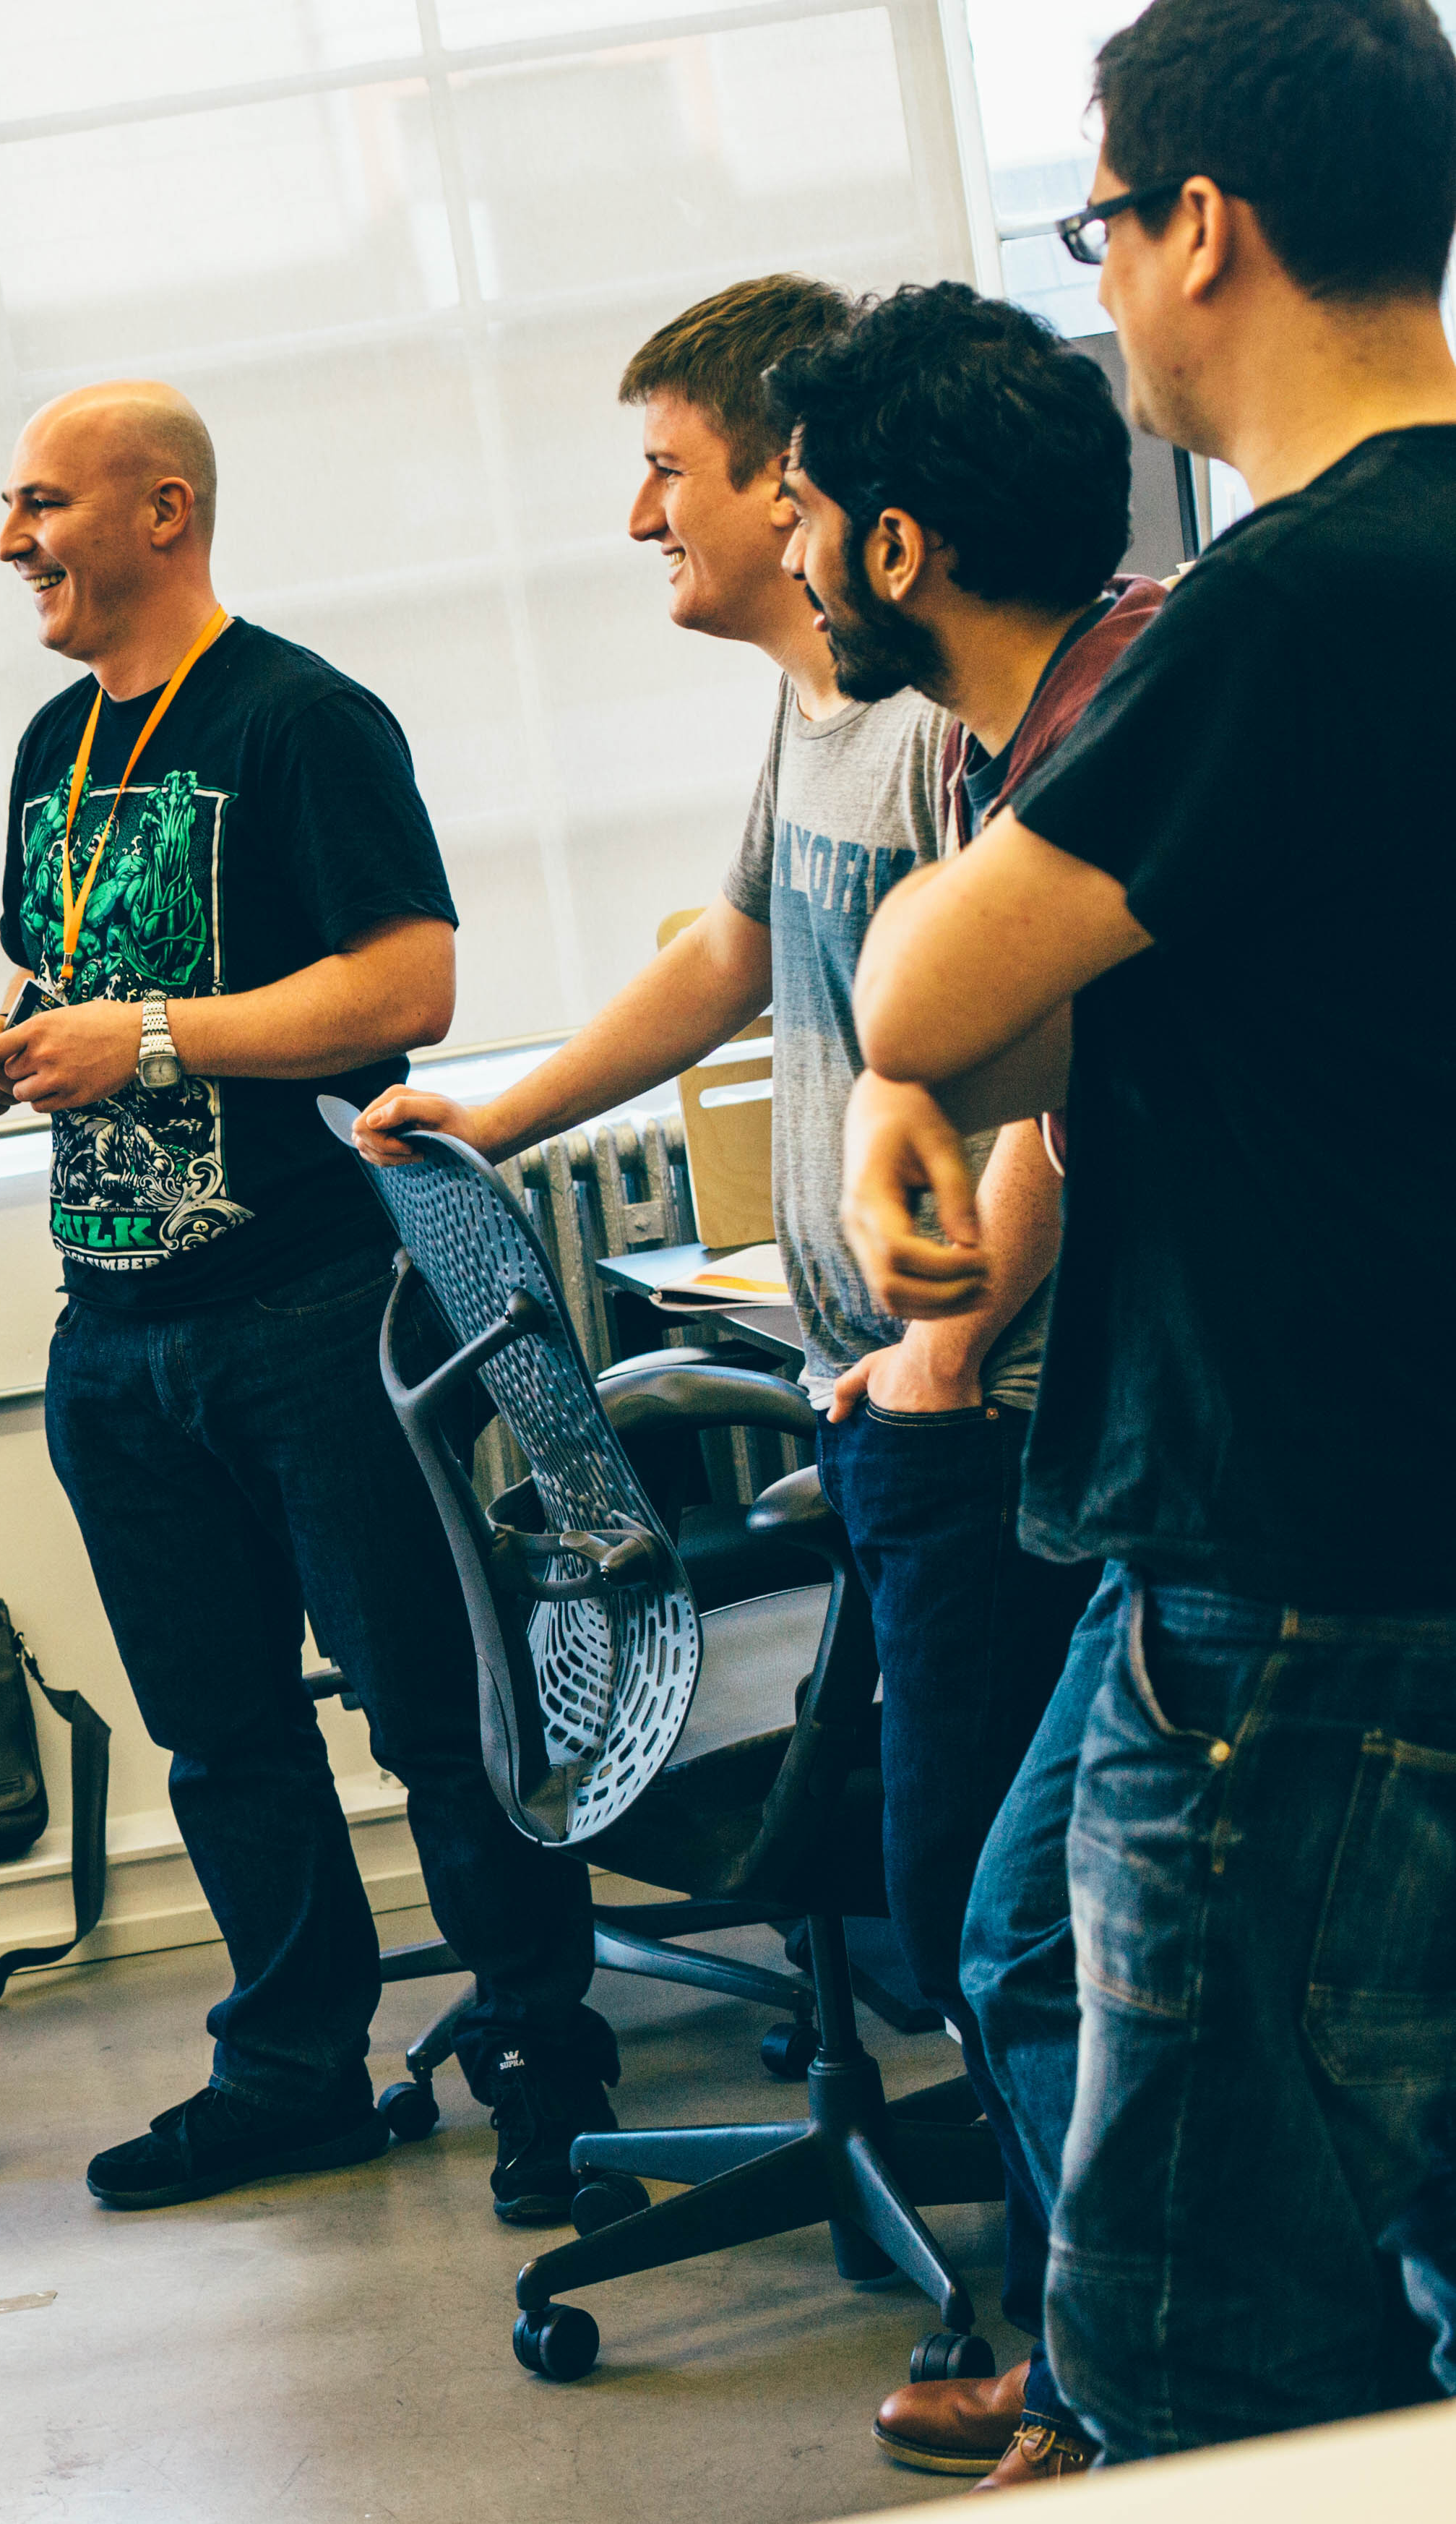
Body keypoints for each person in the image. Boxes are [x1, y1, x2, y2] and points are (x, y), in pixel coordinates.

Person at [372, 271, 1148, 2486]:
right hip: (871, 1391)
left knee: (993, 1910)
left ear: (806, 492)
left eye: (674, 472)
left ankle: (1064, 2353)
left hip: (969, 1406)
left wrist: (942, 1344)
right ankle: (1065, 2335)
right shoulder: (818, 713)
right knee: (974, 1902)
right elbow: (732, 951)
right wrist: (500, 1113)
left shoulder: (941, 728)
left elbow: (1052, 1071)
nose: (646, 517)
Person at [843, 0, 1456, 2465]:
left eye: (1094, 226)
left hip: (1295, 1552)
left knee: (1208, 2328)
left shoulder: (1277, 605)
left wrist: (895, 1063)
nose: (1092, 287)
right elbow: (1194, 1001)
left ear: (1199, 227)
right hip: (1389, 1512)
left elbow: (922, 989)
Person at [0, 379, 618, 2223]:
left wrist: (153, 1038)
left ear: (163, 510)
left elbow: (408, 985)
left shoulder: (305, 720)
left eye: (43, 504)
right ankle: (291, 2073)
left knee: (433, 1714)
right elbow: (69, 968)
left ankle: (545, 2060)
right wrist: (11, 1044)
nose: (11, 542)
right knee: (222, 1736)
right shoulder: (55, 746)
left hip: (315, 1310)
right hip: (116, 1330)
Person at [762, 281, 1174, 2491]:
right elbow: (1006, 1042)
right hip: (1171, 1470)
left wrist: (898, 1099)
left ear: (895, 546)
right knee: (1014, 1934)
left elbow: (927, 999)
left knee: (1026, 1937)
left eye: (800, 509)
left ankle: (1132, 2407)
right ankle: (1108, 2392)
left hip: (1256, 1480)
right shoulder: (1039, 741)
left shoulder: (1142, 703)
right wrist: (888, 1112)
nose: (783, 548)